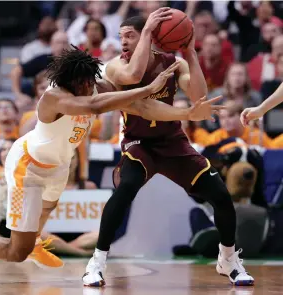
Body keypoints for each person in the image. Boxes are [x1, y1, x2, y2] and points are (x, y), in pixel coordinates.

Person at [0, 46, 221, 281]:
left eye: (89, 82)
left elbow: (140, 106)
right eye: (81, 84)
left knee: (36, 231)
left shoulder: (94, 85)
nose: (87, 87)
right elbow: (93, 106)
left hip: (59, 165)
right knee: (17, 251)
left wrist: (187, 114)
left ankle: (34, 241)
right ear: (68, 82)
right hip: (29, 167)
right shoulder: (54, 96)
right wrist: (146, 86)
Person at [82, 11, 254, 287]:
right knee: (126, 187)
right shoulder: (115, 67)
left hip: (172, 141)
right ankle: (97, 262)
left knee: (220, 195)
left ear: (148, 40)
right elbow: (135, 76)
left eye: (131, 35)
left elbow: (199, 96)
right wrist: (148, 31)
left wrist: (190, 51)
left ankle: (228, 259)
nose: (124, 41)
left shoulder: (173, 64)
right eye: (121, 36)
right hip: (138, 142)